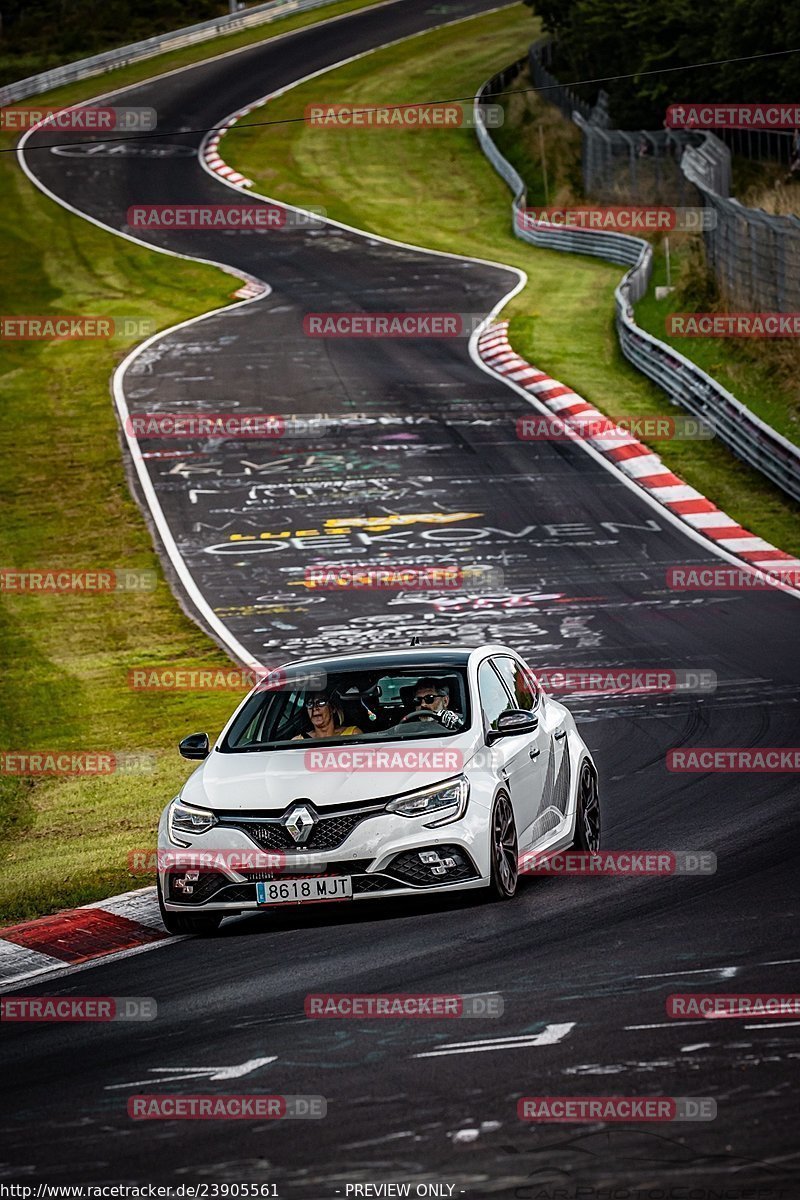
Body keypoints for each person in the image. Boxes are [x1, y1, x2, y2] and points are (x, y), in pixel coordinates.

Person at [294, 691, 362, 739]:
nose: (315, 708)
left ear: (333, 708)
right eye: (310, 704)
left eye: (321, 703)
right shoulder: (299, 741)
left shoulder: (352, 734)